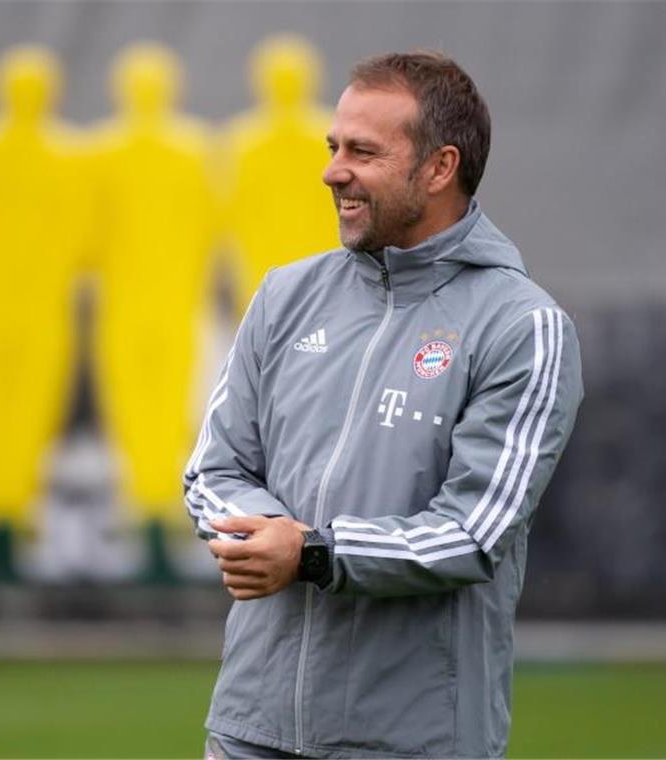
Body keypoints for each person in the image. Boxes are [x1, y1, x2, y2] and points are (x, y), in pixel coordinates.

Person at [184, 50, 583, 759]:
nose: (333, 170)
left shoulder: (522, 325)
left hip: (412, 742)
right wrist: (268, 536)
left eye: (362, 151)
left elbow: (471, 534)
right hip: (252, 729)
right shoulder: (285, 296)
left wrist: (310, 553)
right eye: (333, 147)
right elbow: (212, 471)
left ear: (438, 168)